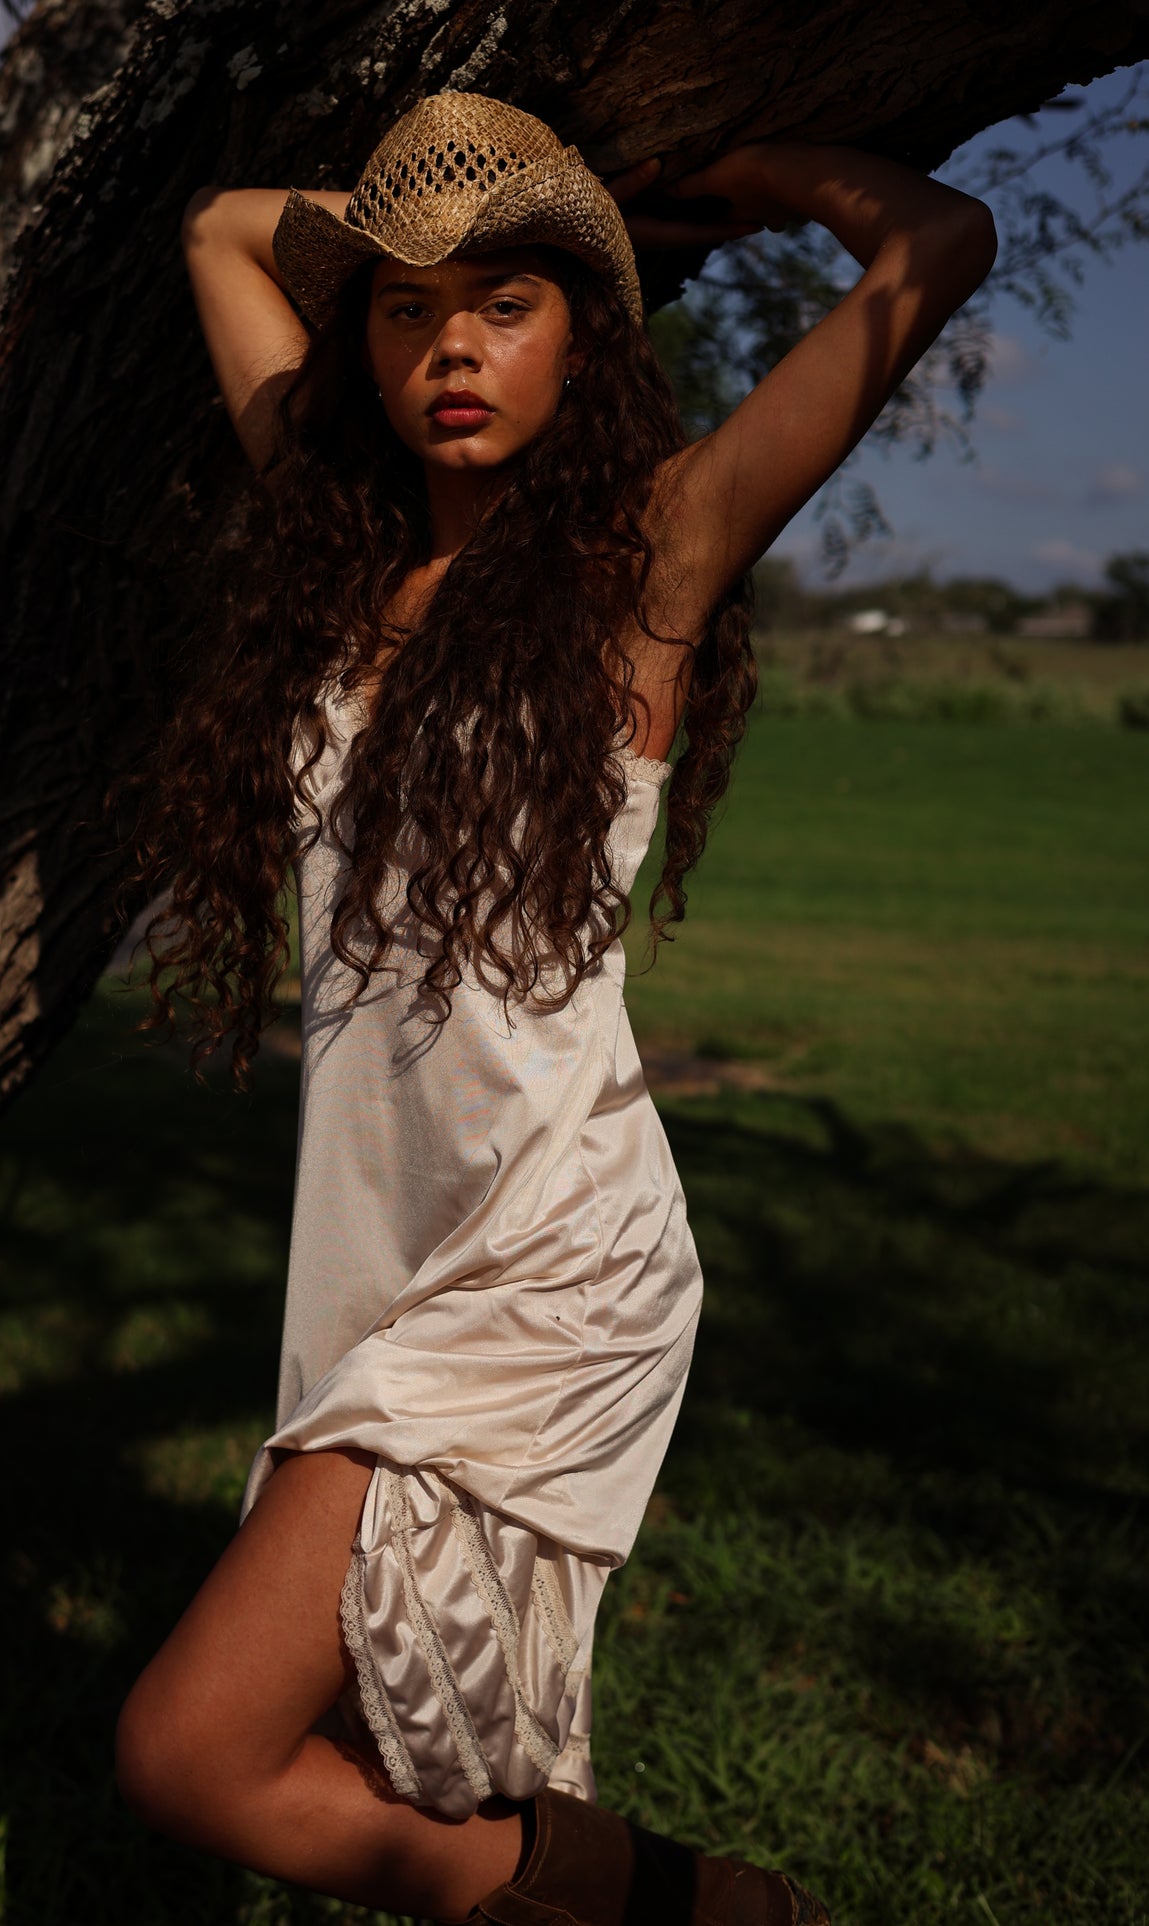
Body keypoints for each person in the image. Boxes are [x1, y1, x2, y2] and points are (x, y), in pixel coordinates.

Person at [112, 90, 995, 1925]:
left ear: (584, 334)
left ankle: (681, 1911)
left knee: (191, 1752)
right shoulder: (337, 559)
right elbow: (216, 230)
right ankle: (669, 1909)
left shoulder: (647, 566)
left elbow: (937, 246)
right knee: (403, 1741)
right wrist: (441, 221)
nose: (449, 344)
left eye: (508, 302)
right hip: (386, 1240)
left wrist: (709, 187)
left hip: (545, 1253)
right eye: (403, 309)